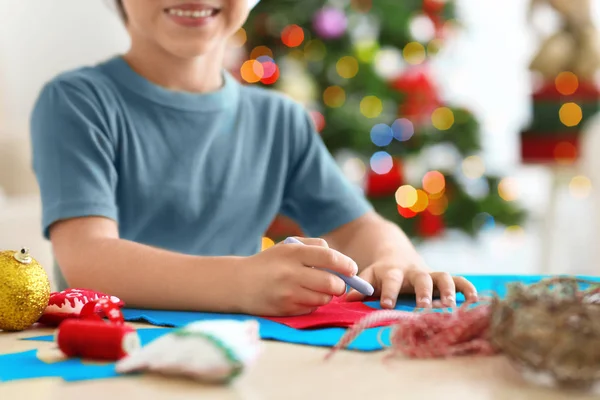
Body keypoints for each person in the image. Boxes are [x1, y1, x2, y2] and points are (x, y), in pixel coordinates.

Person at [30, 0, 477, 317]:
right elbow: (86, 258)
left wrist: (394, 257)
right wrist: (242, 283)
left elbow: (358, 226)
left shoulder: (279, 119)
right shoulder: (76, 101)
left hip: (241, 352)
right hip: (103, 351)